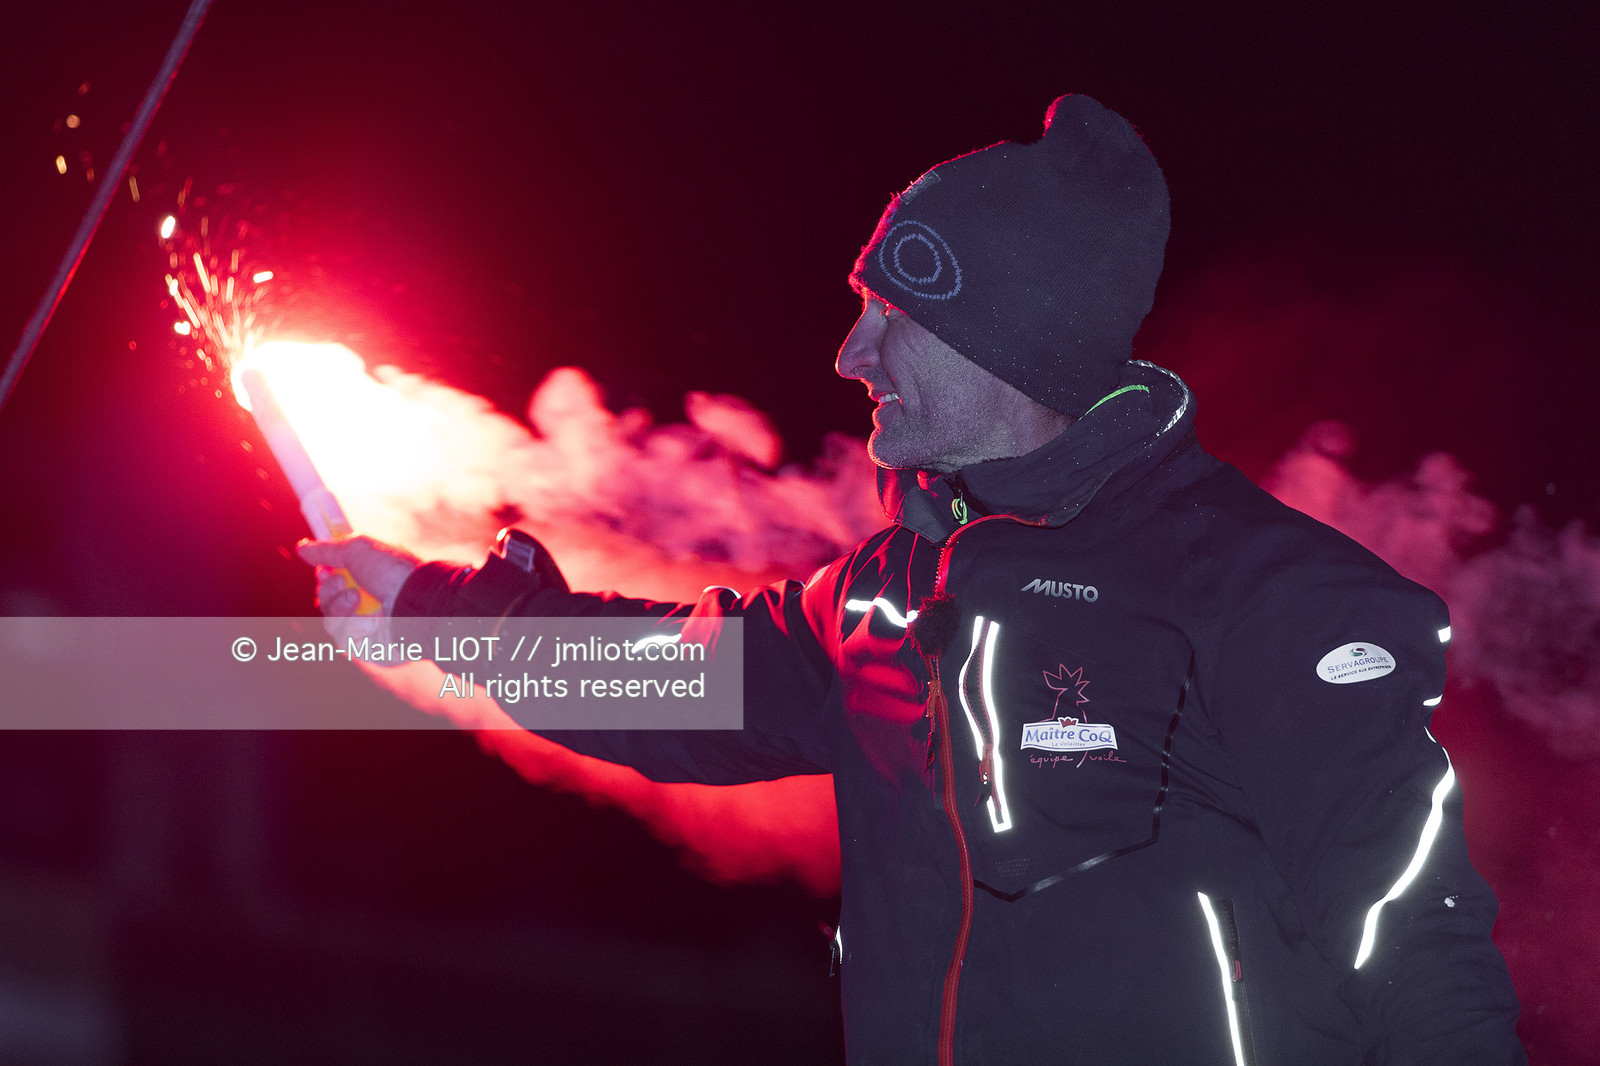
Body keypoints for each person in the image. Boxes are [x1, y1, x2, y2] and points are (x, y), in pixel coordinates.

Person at [300, 95, 1525, 1064]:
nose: (850, 351)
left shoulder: (1269, 595)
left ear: (1009, 338)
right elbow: (667, 683)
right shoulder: (883, 595)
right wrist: (425, 603)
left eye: (889, 312)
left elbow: (1415, 946)